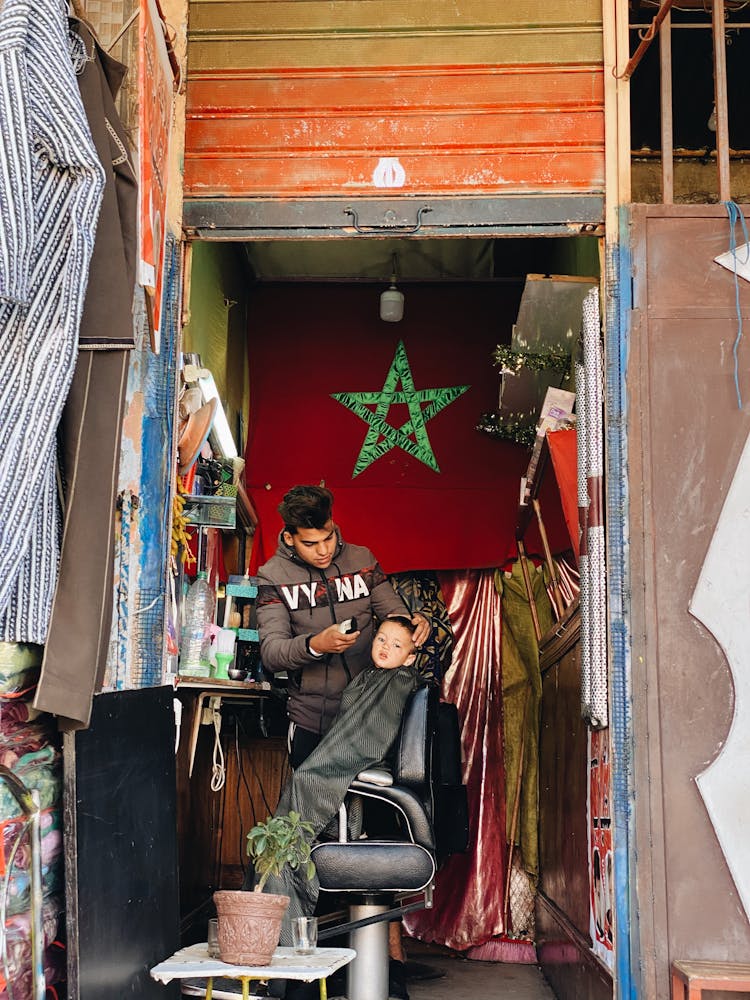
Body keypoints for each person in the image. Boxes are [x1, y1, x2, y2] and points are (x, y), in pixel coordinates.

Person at [261, 616, 422, 943]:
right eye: (381, 639)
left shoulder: (399, 681)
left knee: (304, 788)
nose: (385, 648)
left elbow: (370, 738)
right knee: (300, 793)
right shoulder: (373, 678)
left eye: (396, 645)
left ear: (410, 657)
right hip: (352, 783)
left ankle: (279, 931)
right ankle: (272, 916)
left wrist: (329, 766)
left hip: (362, 777)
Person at [256, 485, 430, 768]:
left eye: (329, 537)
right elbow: (272, 654)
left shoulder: (362, 561)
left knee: (370, 810)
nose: (323, 551)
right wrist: (315, 645)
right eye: (310, 544)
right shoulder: (273, 577)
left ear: (333, 525)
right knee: (311, 810)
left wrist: (418, 624)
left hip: (370, 719)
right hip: (312, 721)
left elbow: (396, 616)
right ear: (289, 538)